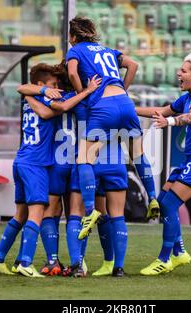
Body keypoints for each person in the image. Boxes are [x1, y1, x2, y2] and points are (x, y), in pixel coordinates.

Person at [0, 63, 100, 278]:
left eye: (56, 84)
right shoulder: (76, 98)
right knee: (71, 213)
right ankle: (75, 262)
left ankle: (33, 260)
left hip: (41, 161)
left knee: (36, 213)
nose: (54, 87)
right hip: (63, 161)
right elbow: (56, 110)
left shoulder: (37, 97)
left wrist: (34, 93)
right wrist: (88, 90)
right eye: (51, 85)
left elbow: (24, 90)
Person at [66, 17, 159, 240]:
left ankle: (90, 211)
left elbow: (71, 73)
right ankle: (153, 197)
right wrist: (122, 90)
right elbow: (133, 64)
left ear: (73, 36)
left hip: (102, 106)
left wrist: (83, 94)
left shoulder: (76, 50)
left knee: (84, 158)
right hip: (125, 104)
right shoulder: (108, 51)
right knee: (138, 155)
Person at [135, 52, 191, 275]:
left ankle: (164, 259)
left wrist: (170, 121)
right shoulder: (187, 97)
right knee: (163, 201)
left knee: (169, 205)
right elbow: (161, 111)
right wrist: (127, 108)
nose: (178, 73)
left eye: (183, 71)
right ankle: (179, 251)